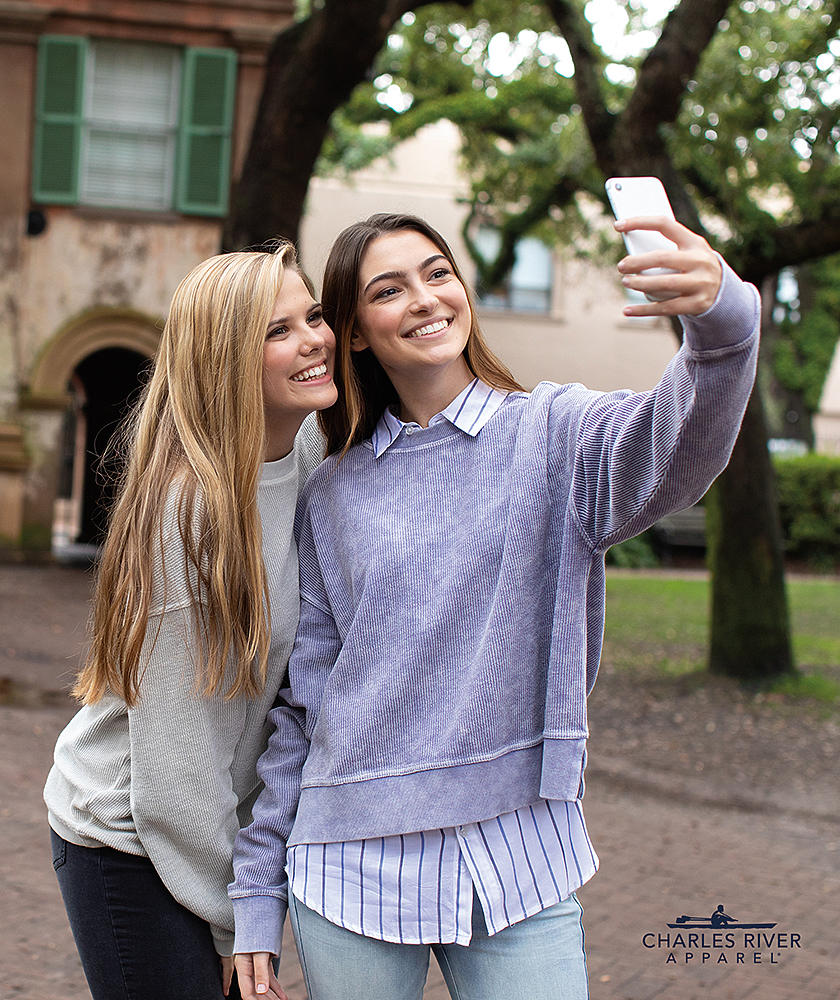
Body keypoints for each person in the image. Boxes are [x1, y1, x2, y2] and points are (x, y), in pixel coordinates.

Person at [229, 212, 760, 1000]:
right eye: (389, 289)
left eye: (438, 273)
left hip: (520, 855)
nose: (424, 298)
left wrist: (724, 326)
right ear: (358, 334)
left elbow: (679, 446)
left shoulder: (554, 435)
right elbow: (304, 710)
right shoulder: (333, 492)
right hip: (348, 864)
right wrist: (254, 895)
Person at [44, 242, 337, 1000]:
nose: (314, 339)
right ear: (224, 361)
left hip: (209, 832)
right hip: (131, 838)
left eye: (313, 315)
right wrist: (242, 922)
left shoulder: (301, 445)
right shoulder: (192, 514)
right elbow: (177, 771)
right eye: (278, 331)